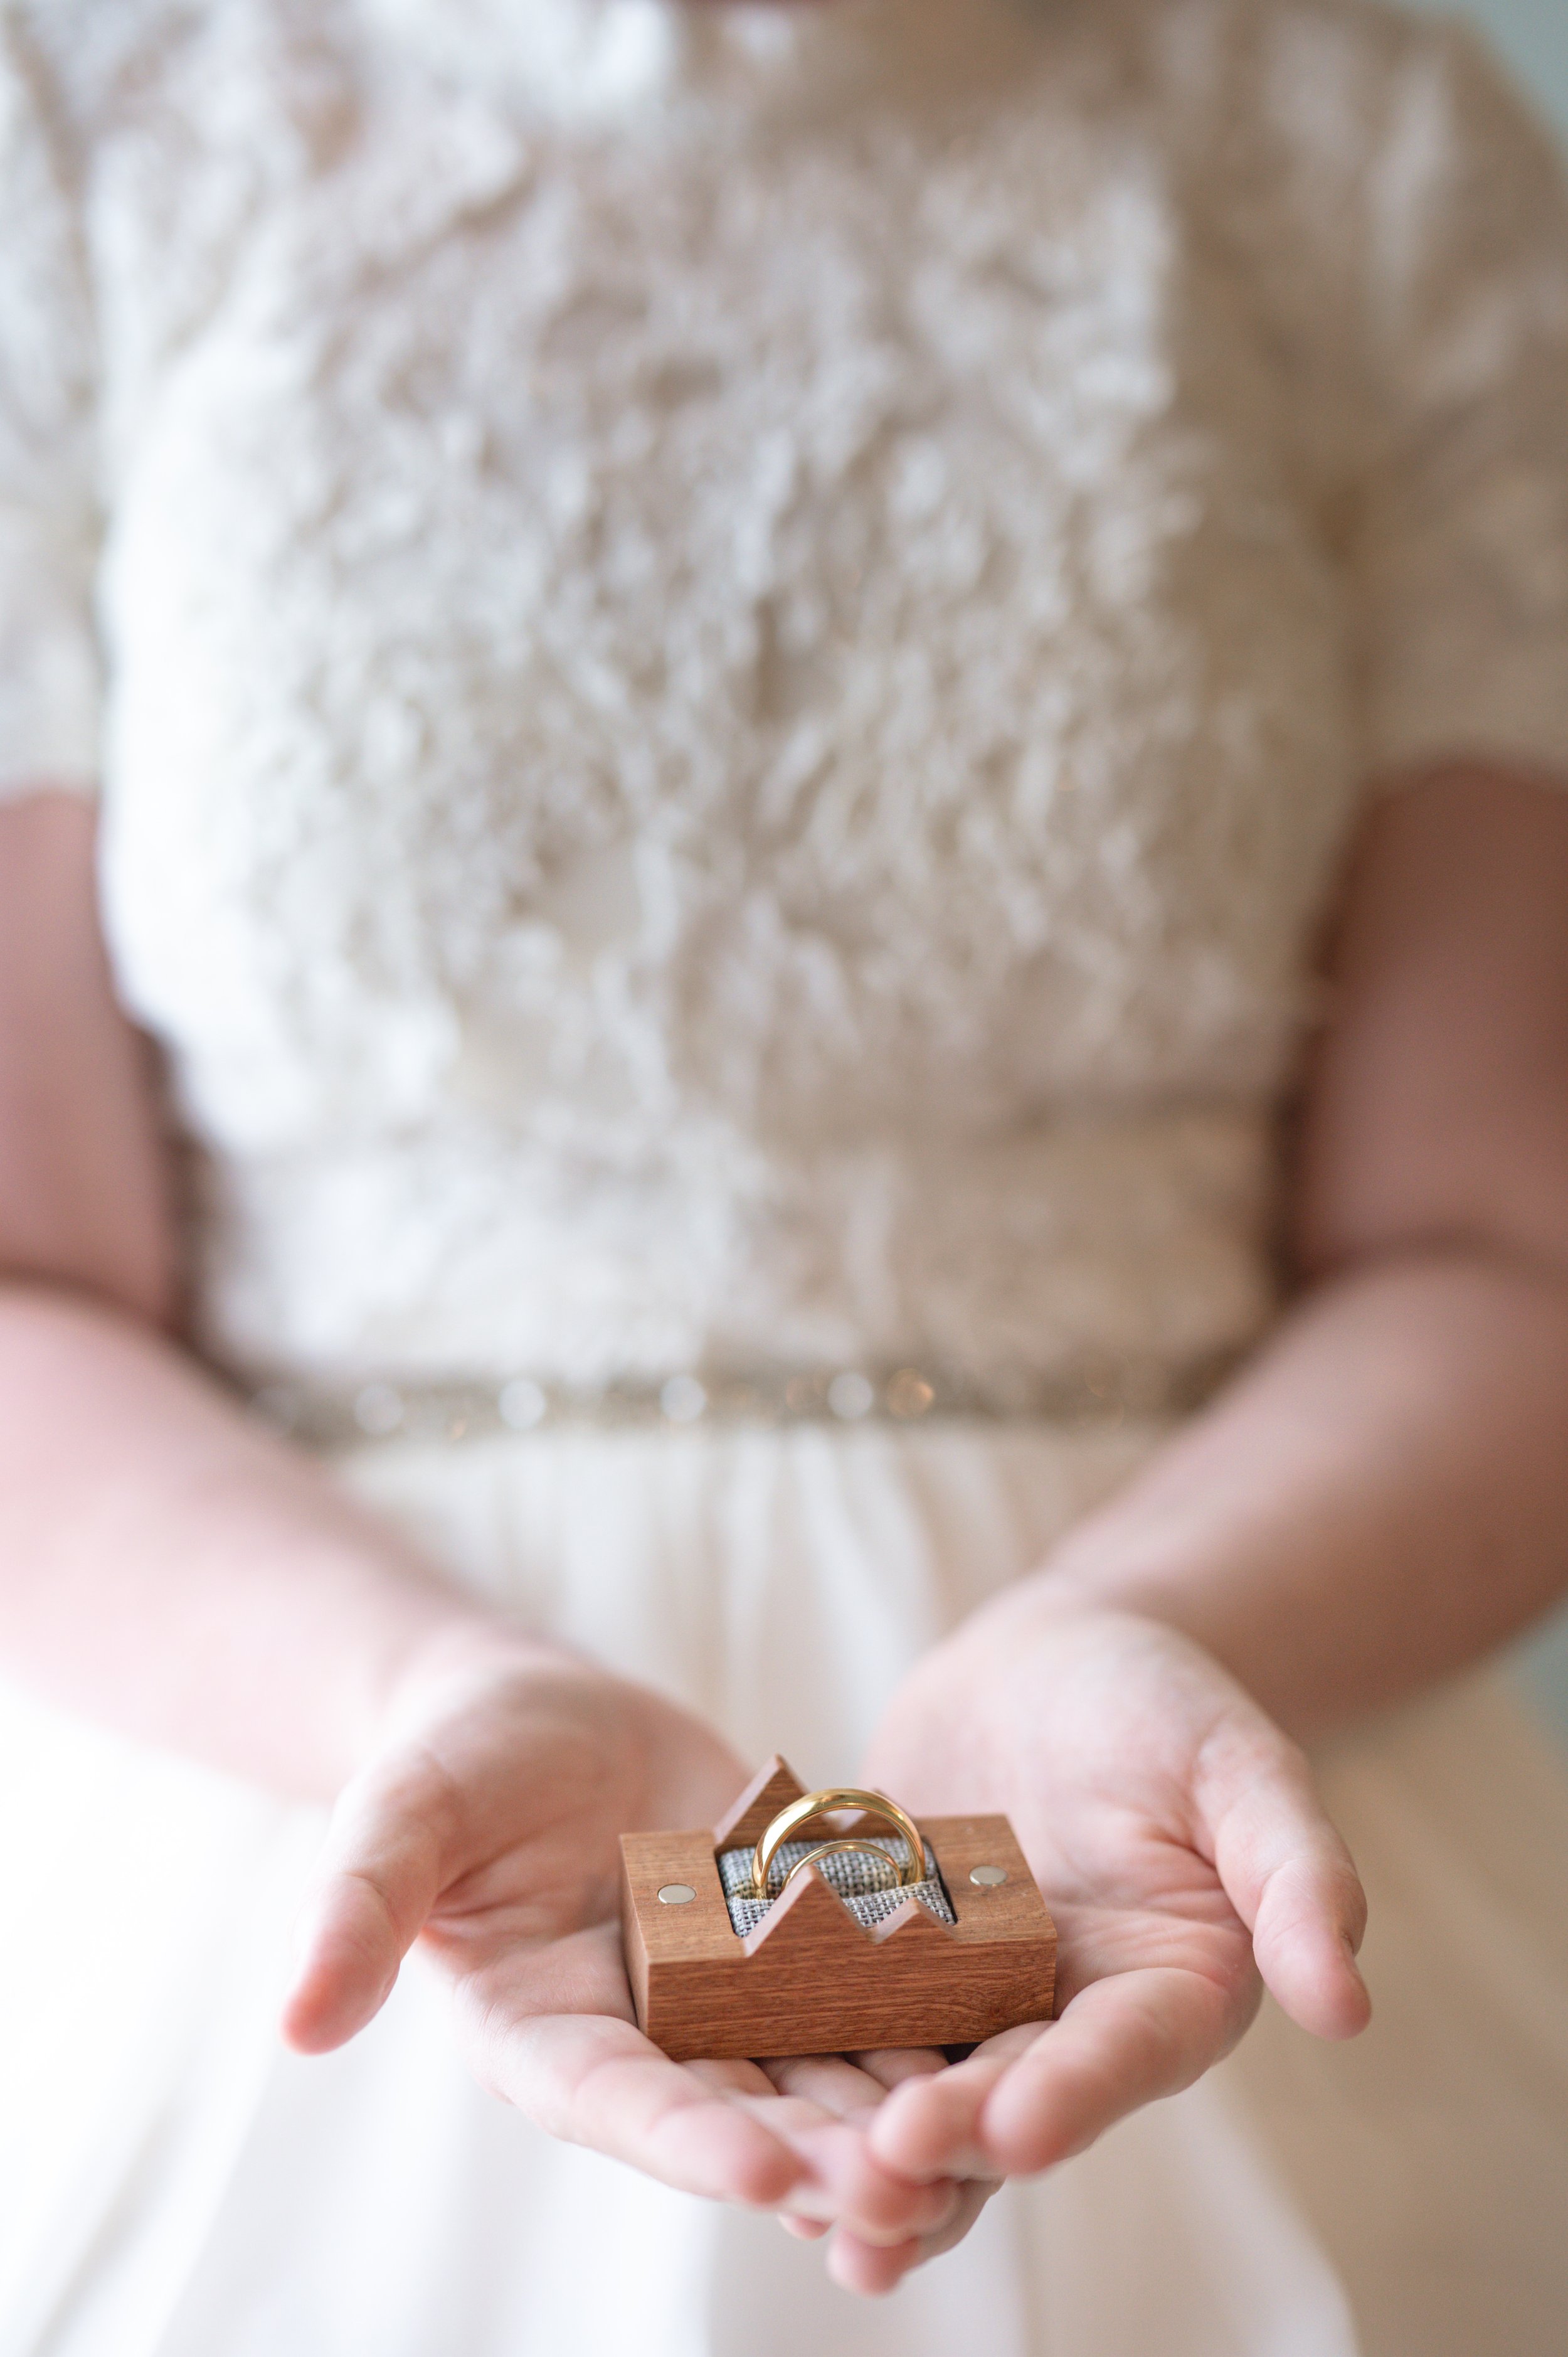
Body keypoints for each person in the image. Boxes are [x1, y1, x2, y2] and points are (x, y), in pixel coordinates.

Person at [1, 0, 1567, 2348]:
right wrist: (413, 1690)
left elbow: (1497, 1241)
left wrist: (1146, 1628)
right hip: (293, 1788)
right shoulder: (79, 126)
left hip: (1215, 1760)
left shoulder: (1353, 129)